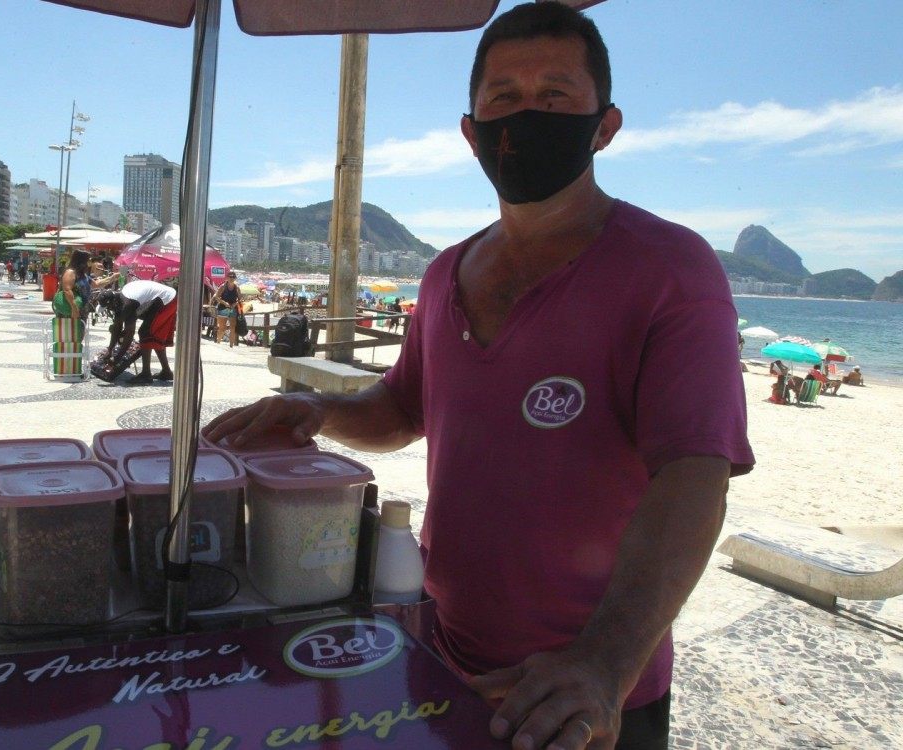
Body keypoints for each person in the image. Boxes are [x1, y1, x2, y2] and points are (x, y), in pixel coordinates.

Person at [204, 5, 753, 748]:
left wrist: (606, 661)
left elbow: (694, 478)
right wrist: (313, 410)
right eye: (503, 97)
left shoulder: (670, 270)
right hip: (437, 655)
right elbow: (402, 408)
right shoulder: (442, 274)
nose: (525, 115)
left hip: (581, 690)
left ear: (606, 125)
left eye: (555, 96)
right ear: (471, 131)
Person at [98, 279, 177, 384]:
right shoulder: (119, 299)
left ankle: (146, 374)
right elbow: (117, 328)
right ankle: (166, 372)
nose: (109, 310)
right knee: (154, 337)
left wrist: (117, 358)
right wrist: (110, 349)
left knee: (145, 333)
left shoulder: (127, 304)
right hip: (168, 297)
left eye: (108, 308)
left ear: (112, 303)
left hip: (167, 300)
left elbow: (129, 335)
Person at [212, 271, 242, 347]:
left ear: (235, 278)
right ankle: (218, 342)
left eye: (233, 277)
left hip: (232, 308)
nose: (231, 278)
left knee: (233, 327)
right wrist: (224, 303)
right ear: (227, 278)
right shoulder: (223, 287)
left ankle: (231, 345)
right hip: (222, 308)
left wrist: (235, 304)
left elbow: (240, 299)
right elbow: (216, 297)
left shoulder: (237, 288)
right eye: (230, 276)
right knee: (222, 328)